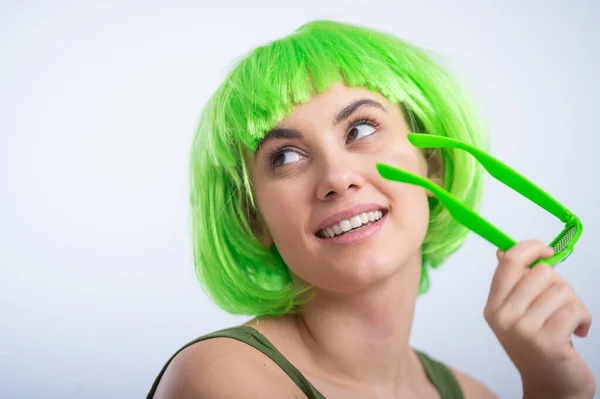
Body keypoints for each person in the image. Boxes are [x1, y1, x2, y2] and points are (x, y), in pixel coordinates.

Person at [147, 20, 595, 399]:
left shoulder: (474, 394)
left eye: (360, 129)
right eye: (285, 157)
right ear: (253, 217)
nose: (337, 178)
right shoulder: (223, 377)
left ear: (433, 165)